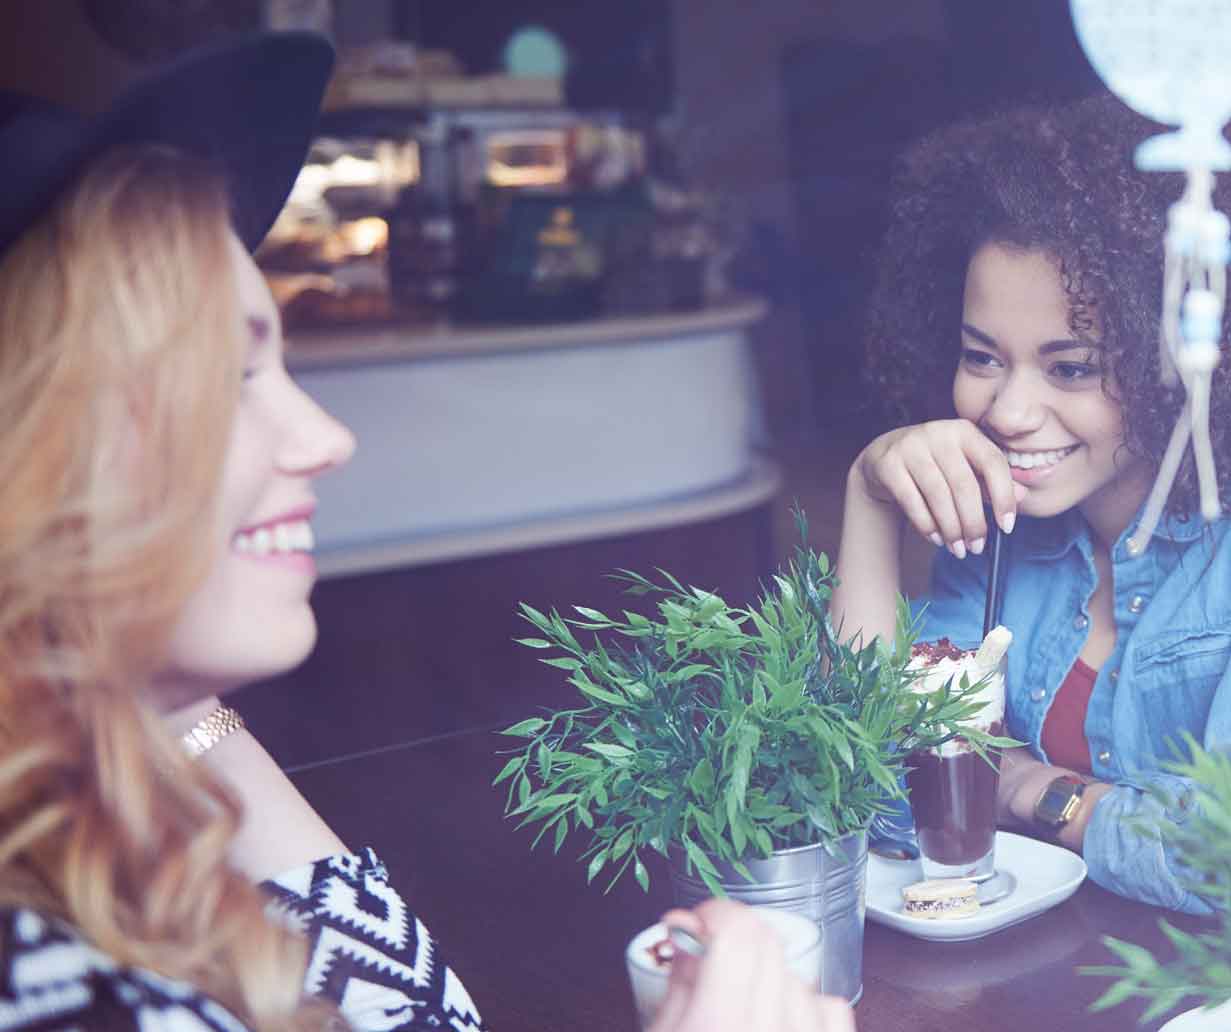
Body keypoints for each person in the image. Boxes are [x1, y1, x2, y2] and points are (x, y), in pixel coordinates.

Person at [0, 32, 848, 1032]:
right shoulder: (44, 978)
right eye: (229, 380)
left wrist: (156, 689)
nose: (325, 435)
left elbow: (403, 1014)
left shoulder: (121, 800)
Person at [829, 95, 1231, 912]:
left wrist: (1032, 791)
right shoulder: (993, 508)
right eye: (981, 357)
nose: (1009, 412)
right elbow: (871, 794)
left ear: (1186, 360)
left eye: (1071, 368)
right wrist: (869, 499)